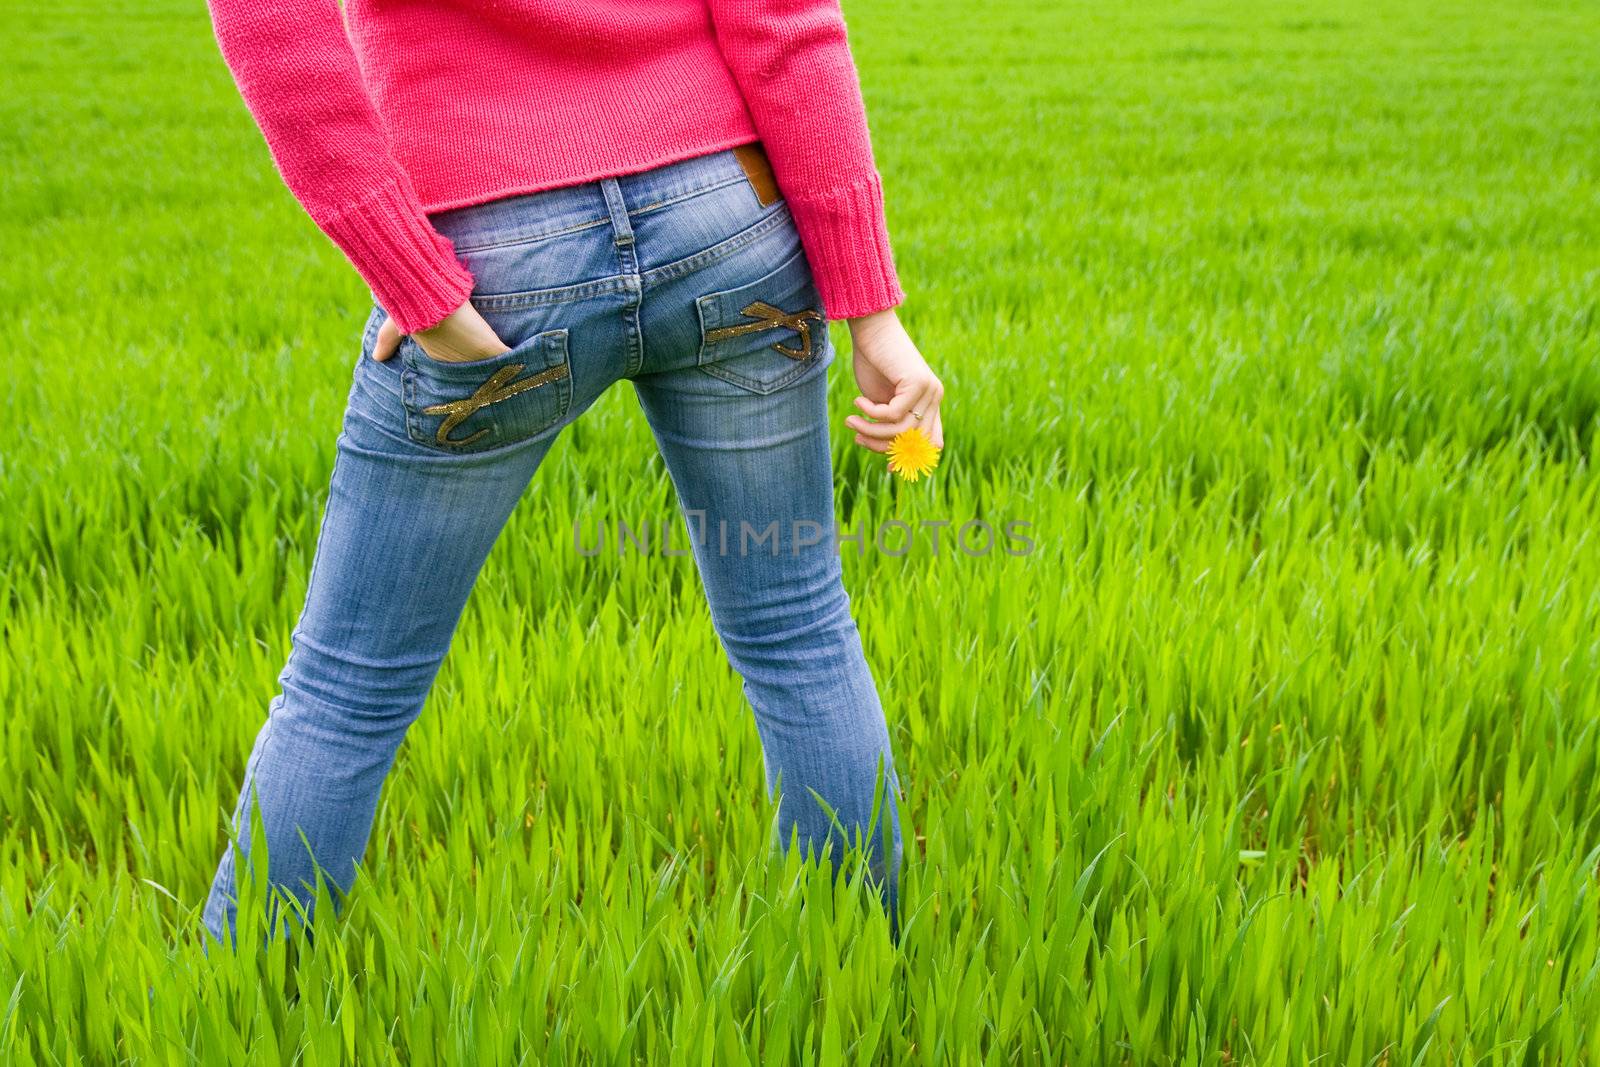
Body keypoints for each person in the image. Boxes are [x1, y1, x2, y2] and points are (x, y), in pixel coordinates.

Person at [199, 0, 945, 943]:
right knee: (798, 631)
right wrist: (869, 307)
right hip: (727, 211)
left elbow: (273, 19)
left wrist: (414, 278)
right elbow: (784, 17)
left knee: (349, 687)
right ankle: (860, 974)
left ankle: (237, 997)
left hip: (497, 248)